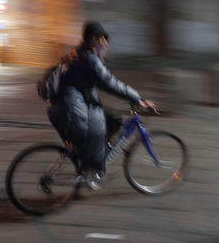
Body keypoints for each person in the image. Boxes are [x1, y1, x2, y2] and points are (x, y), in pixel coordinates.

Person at [47, 21, 155, 190]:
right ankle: (96, 172)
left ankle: (87, 167)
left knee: (111, 121)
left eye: (105, 41)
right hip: (72, 110)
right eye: (102, 41)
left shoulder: (78, 53)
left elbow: (101, 83)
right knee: (99, 126)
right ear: (94, 41)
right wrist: (138, 98)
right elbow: (110, 82)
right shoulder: (90, 59)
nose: (105, 45)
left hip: (61, 107)